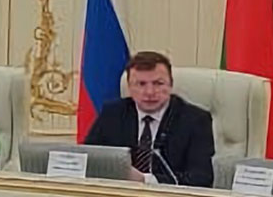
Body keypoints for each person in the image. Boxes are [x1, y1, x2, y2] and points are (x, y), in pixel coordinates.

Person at [82, 50, 215, 187]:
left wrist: (145, 179)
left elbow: (202, 178)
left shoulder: (195, 120)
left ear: (170, 85)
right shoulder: (113, 113)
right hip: (118, 194)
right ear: (129, 87)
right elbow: (87, 159)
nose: (149, 92)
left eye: (158, 83)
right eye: (141, 84)